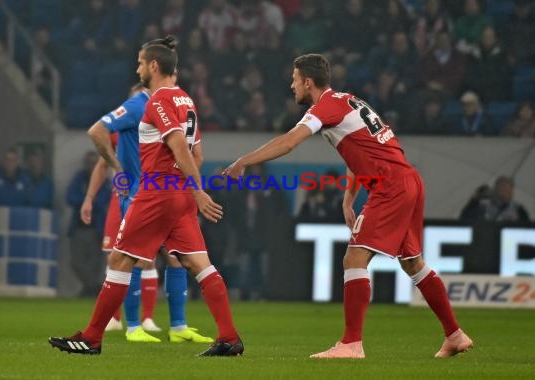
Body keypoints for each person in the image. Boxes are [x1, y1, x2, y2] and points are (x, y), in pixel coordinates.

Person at [224, 53, 472, 359]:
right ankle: (455, 335)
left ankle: (351, 344)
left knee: (354, 258)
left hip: (390, 185)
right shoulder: (348, 101)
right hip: (408, 179)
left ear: (308, 82)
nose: (291, 85)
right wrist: (349, 197)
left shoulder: (324, 107)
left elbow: (289, 142)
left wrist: (243, 161)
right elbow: (361, 150)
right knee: (412, 263)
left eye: (294, 79)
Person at [49, 35, 243, 356]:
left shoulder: (157, 100)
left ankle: (92, 337)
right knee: (199, 264)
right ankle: (229, 336)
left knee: (120, 257)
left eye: (140, 62)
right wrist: (190, 188)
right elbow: (198, 155)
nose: (137, 67)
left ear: (153, 65)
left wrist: (197, 190)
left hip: (157, 192)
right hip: (177, 194)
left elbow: (178, 144)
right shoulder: (187, 101)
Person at [81, 79, 213, 344]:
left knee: (176, 258)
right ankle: (133, 326)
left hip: (167, 194)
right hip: (140, 196)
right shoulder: (133, 113)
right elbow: (98, 139)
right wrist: (113, 174)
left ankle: (177, 326)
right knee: (137, 259)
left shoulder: (166, 110)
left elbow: (191, 152)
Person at [66, 151, 111, 297]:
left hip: (95, 228)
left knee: (94, 264)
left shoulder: (105, 181)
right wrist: (87, 200)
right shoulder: (79, 178)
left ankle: (89, 290)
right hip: (79, 228)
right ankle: (93, 288)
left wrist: (86, 200)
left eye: (94, 163)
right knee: (76, 262)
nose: (91, 166)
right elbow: (70, 197)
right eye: (89, 163)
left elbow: (102, 201)